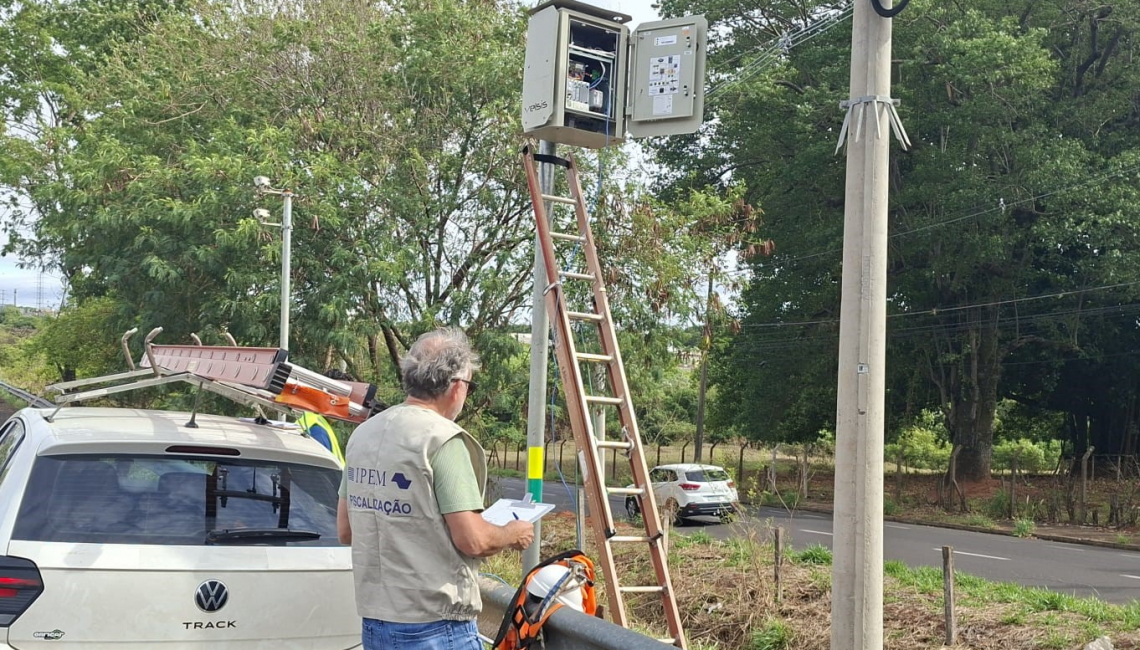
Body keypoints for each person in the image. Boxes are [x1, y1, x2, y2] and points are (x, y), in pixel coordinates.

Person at [337, 327, 534, 650]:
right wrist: (513, 533)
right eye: (469, 385)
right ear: (456, 386)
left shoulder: (363, 435)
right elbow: (473, 540)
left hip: (376, 624)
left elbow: (346, 530)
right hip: (436, 629)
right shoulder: (443, 439)